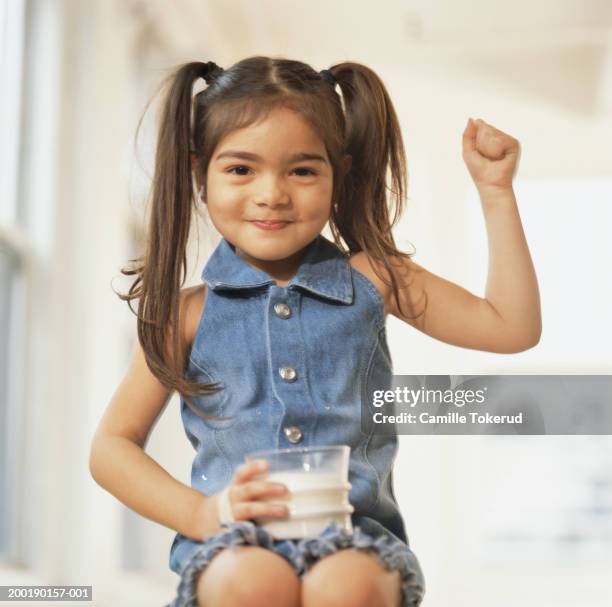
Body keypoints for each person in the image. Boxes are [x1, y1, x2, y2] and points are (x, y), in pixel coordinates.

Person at [89, 56, 541, 607]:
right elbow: (112, 448)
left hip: (356, 541)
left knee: (344, 584)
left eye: (301, 170)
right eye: (240, 170)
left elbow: (510, 327)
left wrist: (496, 192)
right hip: (231, 543)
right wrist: (201, 514)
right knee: (250, 582)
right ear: (199, 176)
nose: (272, 193)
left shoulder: (374, 278)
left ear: (338, 176)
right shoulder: (185, 313)